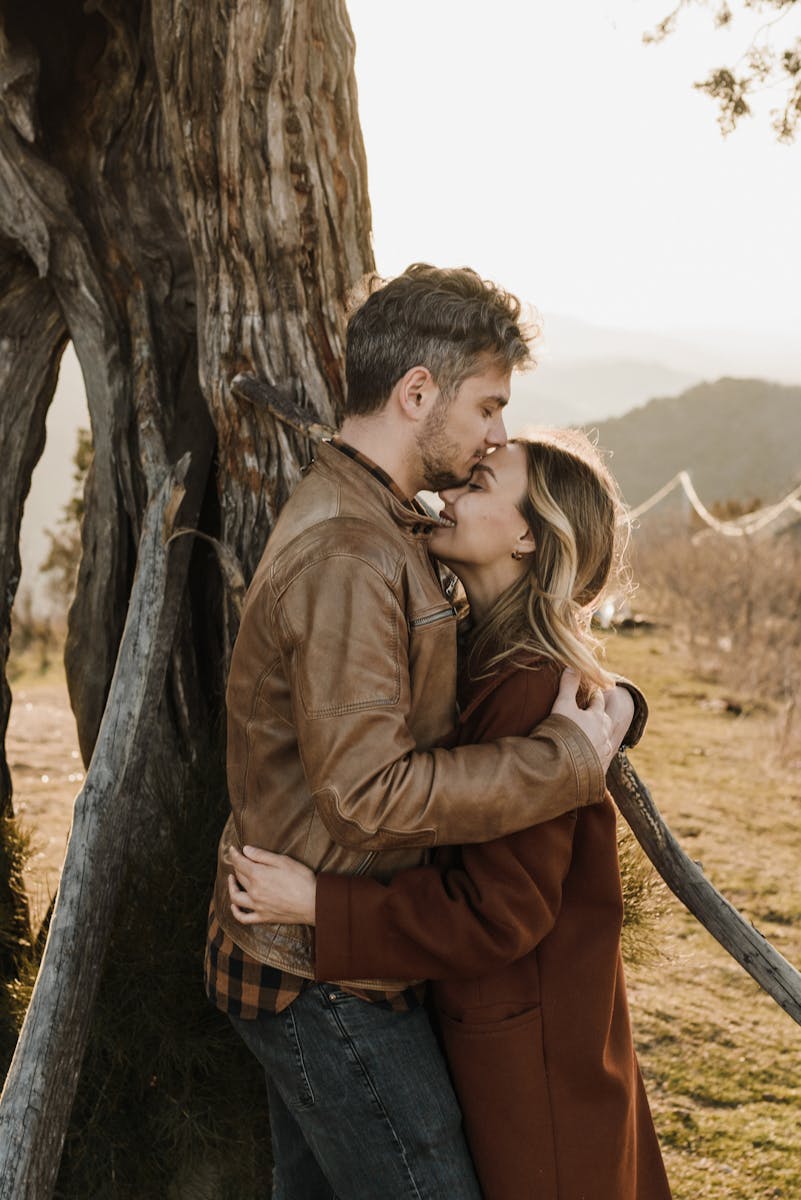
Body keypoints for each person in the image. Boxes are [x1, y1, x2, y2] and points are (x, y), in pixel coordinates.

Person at [206, 265, 641, 1199]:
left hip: (334, 951)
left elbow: (505, 651)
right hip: (322, 979)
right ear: (415, 394)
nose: (495, 433)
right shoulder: (354, 554)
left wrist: (617, 704)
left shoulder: (378, 519)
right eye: (488, 407)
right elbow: (366, 795)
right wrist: (566, 762)